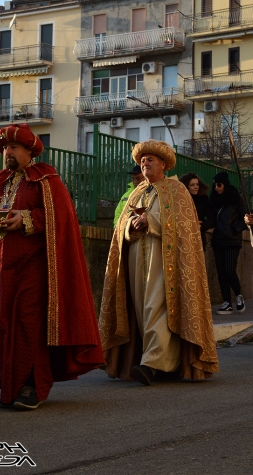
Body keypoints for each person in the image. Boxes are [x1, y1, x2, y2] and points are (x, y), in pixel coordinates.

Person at [0, 123, 104, 410]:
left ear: (28, 151)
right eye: (4, 149)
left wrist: (27, 219)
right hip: (1, 271)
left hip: (34, 269)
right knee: (2, 325)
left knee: (28, 325)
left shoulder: (47, 179)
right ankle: (9, 387)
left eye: (13, 148)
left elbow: (60, 219)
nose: (7, 153)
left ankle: (31, 387)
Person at [99, 139, 218, 386]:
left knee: (157, 307)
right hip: (135, 258)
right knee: (141, 309)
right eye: (142, 161)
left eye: (150, 159)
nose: (144, 163)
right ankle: (156, 361)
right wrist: (130, 228)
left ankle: (152, 364)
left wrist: (151, 223)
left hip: (165, 259)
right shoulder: (137, 192)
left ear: (163, 164)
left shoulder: (176, 190)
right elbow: (121, 228)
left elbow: (185, 229)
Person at [210, 171, 247, 315]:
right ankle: (227, 302)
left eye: (219, 185)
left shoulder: (236, 199)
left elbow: (245, 218)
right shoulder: (213, 200)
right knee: (221, 273)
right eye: (215, 185)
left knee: (229, 270)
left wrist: (234, 229)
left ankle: (238, 295)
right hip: (218, 240)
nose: (217, 188)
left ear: (225, 184)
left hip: (232, 241)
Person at [179, 172, 216, 250]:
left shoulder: (203, 199)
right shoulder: (180, 200)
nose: (196, 187)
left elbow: (213, 219)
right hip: (183, 236)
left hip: (198, 237)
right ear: (186, 187)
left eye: (197, 184)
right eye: (192, 185)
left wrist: (202, 225)